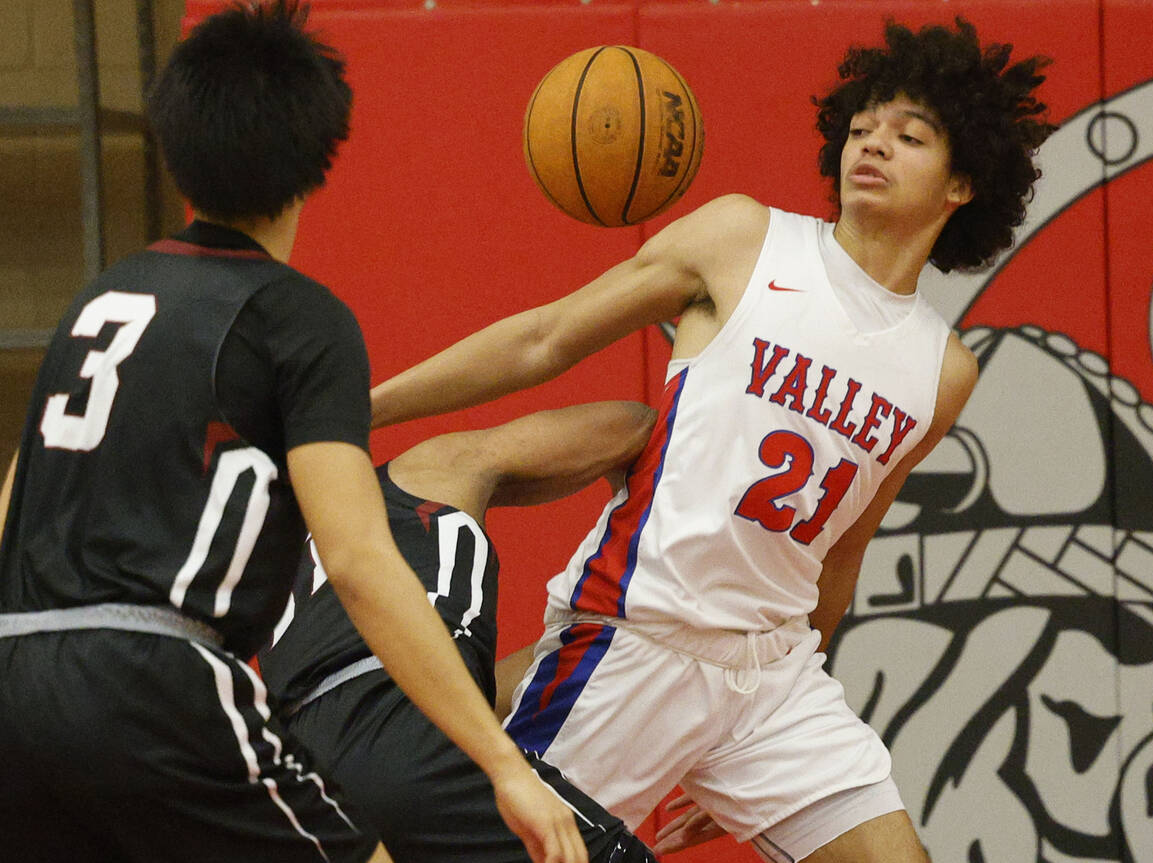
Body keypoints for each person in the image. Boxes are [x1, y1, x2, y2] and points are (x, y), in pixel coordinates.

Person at [367, 18, 1056, 863]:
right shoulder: (743, 239)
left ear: (962, 185)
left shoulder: (943, 369)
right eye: (863, 128)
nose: (872, 145)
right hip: (638, 643)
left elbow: (839, 554)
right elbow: (540, 340)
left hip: (773, 678)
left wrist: (739, 760)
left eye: (909, 137)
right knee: (464, 852)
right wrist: (364, 408)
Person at [0, 3, 585, 862]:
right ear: (318, 160)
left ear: (175, 143)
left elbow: (14, 505)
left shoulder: (100, 300)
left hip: (15, 678)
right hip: (157, 680)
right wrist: (504, 761)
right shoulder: (298, 319)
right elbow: (355, 560)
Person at [258, 400, 660, 862]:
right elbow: (633, 425)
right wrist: (631, 516)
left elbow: (407, 694)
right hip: (406, 738)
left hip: (308, 788)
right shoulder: (414, 477)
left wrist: (597, 644)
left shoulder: (274, 581)